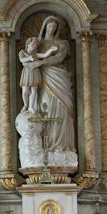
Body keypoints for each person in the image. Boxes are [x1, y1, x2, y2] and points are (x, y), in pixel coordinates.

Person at [36, 15, 76, 155]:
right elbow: (29, 55)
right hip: (44, 79)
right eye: (49, 26)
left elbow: (60, 57)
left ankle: (62, 145)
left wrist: (42, 61)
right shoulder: (38, 43)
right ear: (45, 27)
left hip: (60, 78)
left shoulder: (62, 44)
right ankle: (45, 147)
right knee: (44, 108)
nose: (52, 28)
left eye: (54, 26)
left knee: (62, 110)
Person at [19, 37, 58, 114]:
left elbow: (44, 55)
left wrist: (50, 51)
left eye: (36, 44)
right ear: (28, 44)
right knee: (25, 91)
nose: (35, 45)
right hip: (26, 72)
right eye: (33, 43)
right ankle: (26, 105)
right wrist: (29, 58)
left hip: (35, 72)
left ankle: (31, 106)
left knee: (34, 90)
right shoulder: (22, 52)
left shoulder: (35, 54)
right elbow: (21, 60)